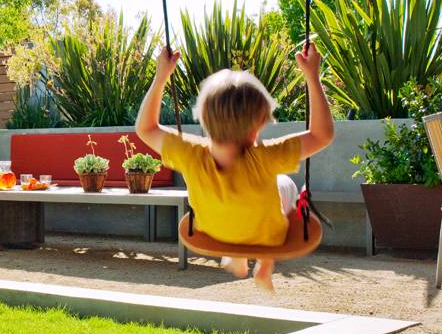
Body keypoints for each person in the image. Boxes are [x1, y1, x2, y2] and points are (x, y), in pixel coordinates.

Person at [135, 41, 334, 292]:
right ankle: (264, 260)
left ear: (205, 120)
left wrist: (161, 76)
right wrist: (312, 77)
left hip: (214, 233)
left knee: (257, 195)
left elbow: (146, 129)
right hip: (268, 237)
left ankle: (237, 255)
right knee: (283, 182)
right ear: (257, 127)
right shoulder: (266, 157)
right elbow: (321, 135)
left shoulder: (190, 153)